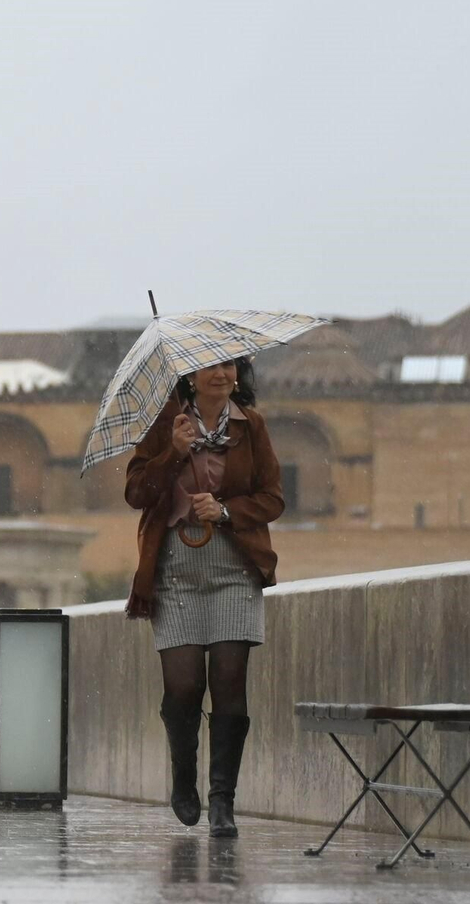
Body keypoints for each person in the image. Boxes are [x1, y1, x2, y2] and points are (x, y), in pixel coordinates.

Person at [124, 357, 283, 839]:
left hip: (234, 567)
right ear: (189, 377)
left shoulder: (250, 425)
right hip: (175, 570)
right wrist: (172, 452)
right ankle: (183, 778)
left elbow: (273, 497)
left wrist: (227, 509)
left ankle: (222, 802)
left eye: (229, 366)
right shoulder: (165, 423)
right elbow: (136, 493)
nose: (221, 374)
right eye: (209, 367)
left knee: (231, 681)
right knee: (184, 687)